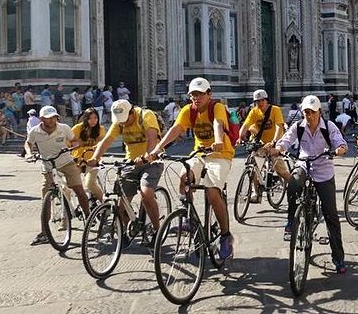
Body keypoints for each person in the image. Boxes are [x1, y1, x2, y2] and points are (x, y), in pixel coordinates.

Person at [146, 77, 235, 260]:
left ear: (209, 94)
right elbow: (175, 129)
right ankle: (189, 218)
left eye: (200, 94)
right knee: (184, 176)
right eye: (193, 94)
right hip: (200, 154)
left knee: (211, 192)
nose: (196, 98)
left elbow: (218, 124)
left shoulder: (216, 107)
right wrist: (157, 149)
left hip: (221, 154)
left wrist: (218, 141)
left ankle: (226, 236)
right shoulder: (188, 110)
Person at [270, 95, 349, 274]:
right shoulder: (298, 127)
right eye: (306, 112)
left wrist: (339, 150)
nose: (309, 116)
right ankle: (291, 220)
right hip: (303, 164)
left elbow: (341, 143)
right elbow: (285, 141)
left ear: (319, 112)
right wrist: (277, 149)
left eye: (312, 112)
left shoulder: (329, 127)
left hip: (323, 169)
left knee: (331, 215)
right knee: (294, 182)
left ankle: (338, 258)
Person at [88, 99, 163, 247]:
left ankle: (157, 231)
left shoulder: (145, 116)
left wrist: (148, 156)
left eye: (125, 120)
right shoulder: (119, 121)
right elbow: (107, 140)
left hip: (152, 161)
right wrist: (95, 158)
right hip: (130, 162)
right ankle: (129, 229)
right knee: (121, 204)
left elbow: (152, 139)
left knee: (146, 194)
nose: (122, 124)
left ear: (131, 113)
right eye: (119, 121)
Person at [28, 106, 89, 246]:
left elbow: (74, 141)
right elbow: (28, 143)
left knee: (79, 189)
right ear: (42, 119)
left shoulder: (64, 128)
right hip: (47, 165)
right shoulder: (35, 131)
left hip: (65, 161)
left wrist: (73, 147)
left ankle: (88, 216)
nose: (52, 120)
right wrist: (29, 153)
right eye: (49, 118)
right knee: (46, 197)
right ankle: (44, 232)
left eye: (54, 117)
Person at [237, 89, 288, 203]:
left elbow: (279, 127)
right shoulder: (254, 111)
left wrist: (274, 141)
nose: (259, 103)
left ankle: (297, 187)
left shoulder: (275, 110)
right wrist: (240, 136)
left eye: (261, 101)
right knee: (254, 167)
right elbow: (246, 125)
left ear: (266, 100)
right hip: (259, 143)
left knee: (281, 170)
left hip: (273, 143)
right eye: (257, 101)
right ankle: (256, 193)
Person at [72, 108, 106, 202]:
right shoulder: (77, 128)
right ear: (85, 119)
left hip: (92, 160)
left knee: (90, 184)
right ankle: (68, 210)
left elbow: (102, 142)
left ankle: (105, 203)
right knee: (69, 184)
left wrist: (98, 146)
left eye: (95, 118)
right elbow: (68, 141)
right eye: (90, 118)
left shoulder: (100, 129)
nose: (93, 121)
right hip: (78, 159)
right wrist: (73, 143)